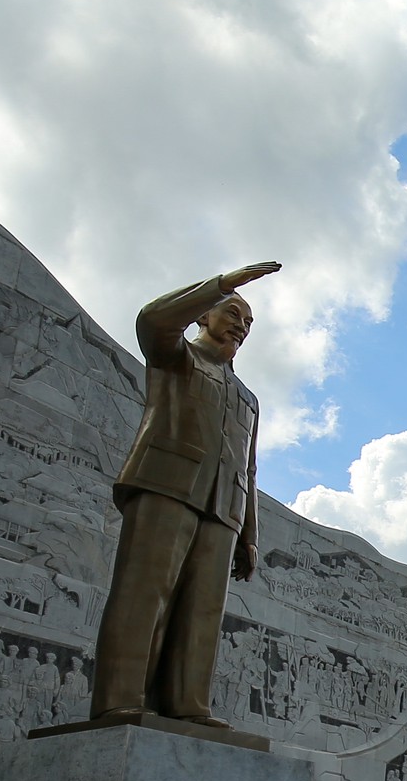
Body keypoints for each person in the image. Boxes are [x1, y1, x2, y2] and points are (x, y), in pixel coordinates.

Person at [88, 264, 279, 724]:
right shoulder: (177, 357)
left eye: (249, 322)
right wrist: (220, 286)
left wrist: (248, 534)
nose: (241, 325)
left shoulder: (248, 397)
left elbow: (248, 469)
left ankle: (188, 704)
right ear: (203, 316)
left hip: (222, 510)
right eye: (233, 313)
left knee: (203, 613)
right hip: (167, 485)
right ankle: (120, 700)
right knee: (144, 594)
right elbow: (153, 320)